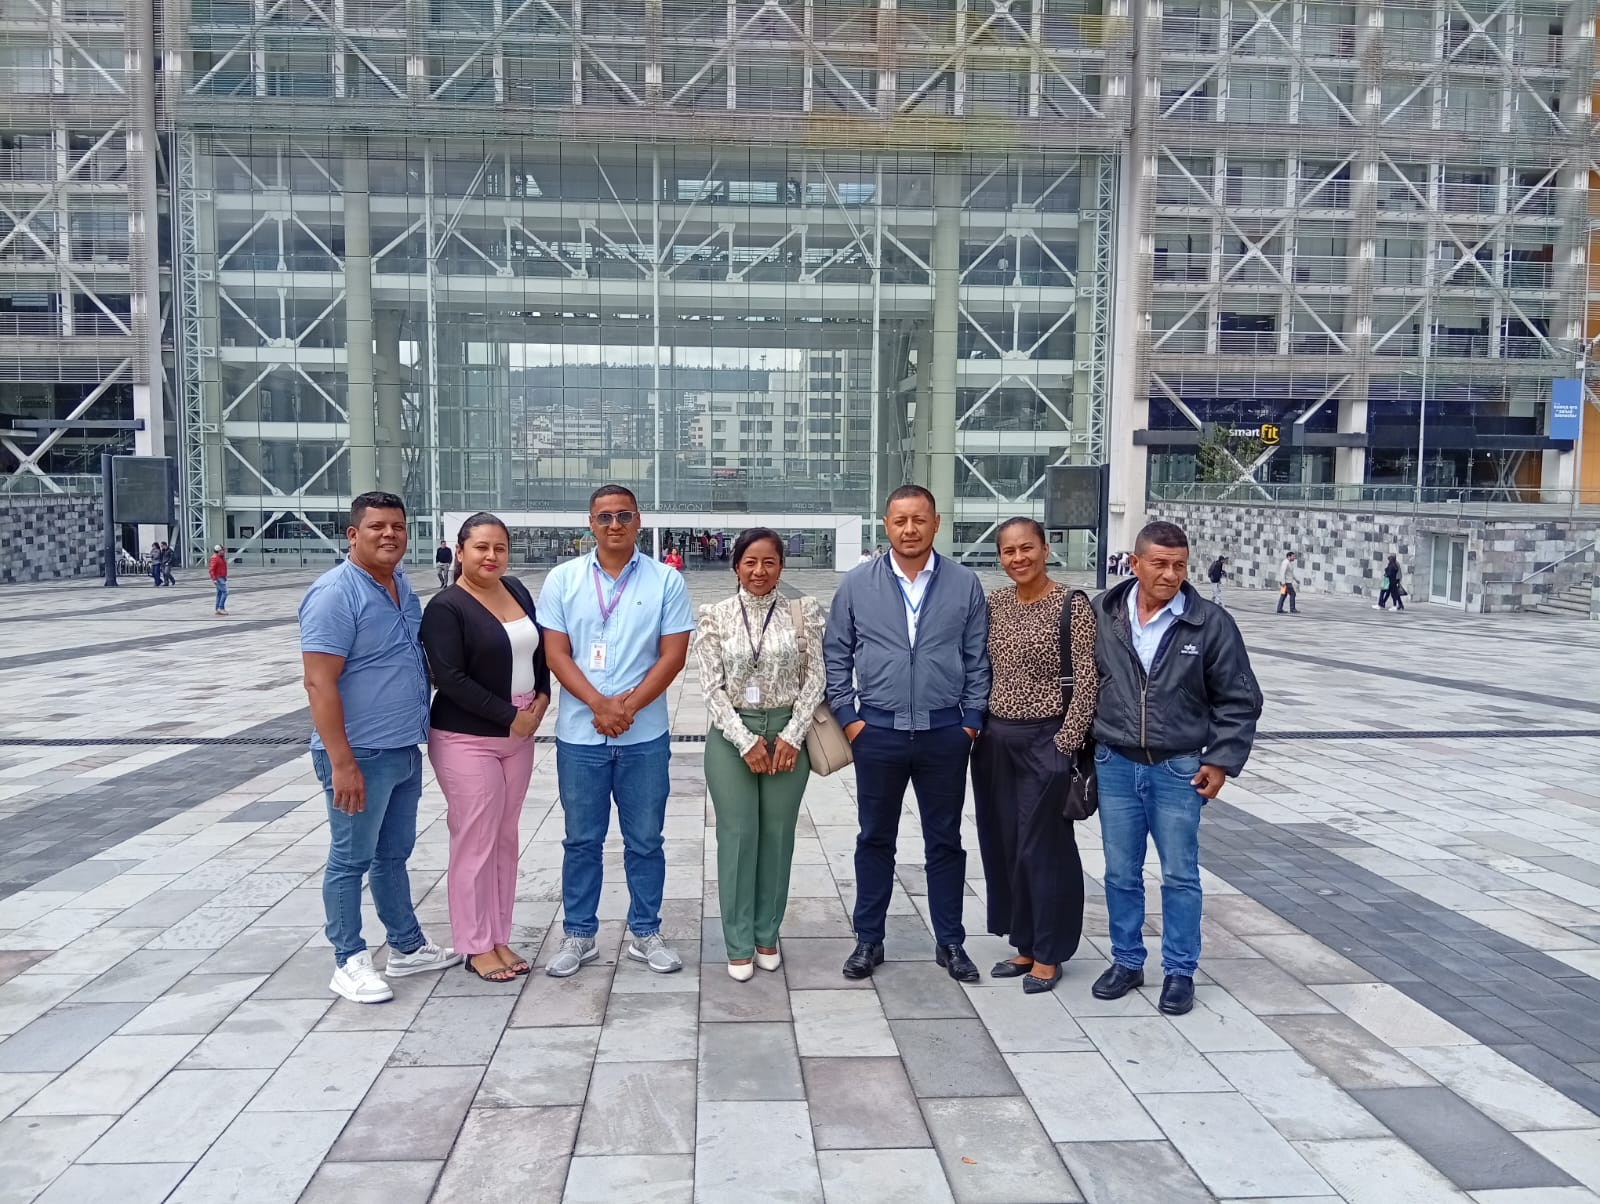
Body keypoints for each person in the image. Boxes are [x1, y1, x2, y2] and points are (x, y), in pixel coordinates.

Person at [1090, 520, 1263, 1016]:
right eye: (1160, 564)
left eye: (1179, 566)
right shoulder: (1104, 613)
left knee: (1180, 874)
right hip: (1115, 762)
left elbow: (1240, 698)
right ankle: (1127, 961)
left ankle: (1180, 970)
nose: (1170, 574)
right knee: (1120, 873)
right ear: (1135, 563)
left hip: (1178, 767)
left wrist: (1221, 760)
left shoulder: (1210, 623)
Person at [299, 490, 461, 1003]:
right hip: (360, 753)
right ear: (353, 534)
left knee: (392, 855)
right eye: (377, 527)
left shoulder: (401, 585)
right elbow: (318, 682)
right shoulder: (335, 594)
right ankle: (348, 959)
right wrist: (342, 762)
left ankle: (407, 946)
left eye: (397, 526)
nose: (389, 534)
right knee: (350, 859)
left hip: (403, 748)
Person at [825, 485, 990, 982]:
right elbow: (836, 653)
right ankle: (868, 939)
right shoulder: (858, 583)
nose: (910, 529)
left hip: (944, 732)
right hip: (878, 731)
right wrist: (849, 717)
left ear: (936, 523)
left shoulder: (964, 583)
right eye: (900, 520)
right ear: (886, 524)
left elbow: (977, 657)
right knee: (875, 837)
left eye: (919, 519)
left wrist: (970, 720)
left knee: (945, 840)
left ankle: (951, 941)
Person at [537, 485, 694, 977]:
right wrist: (598, 704)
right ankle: (579, 934)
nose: (614, 525)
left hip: (643, 736)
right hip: (580, 736)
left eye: (624, 516)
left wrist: (625, 708)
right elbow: (556, 653)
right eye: (604, 517)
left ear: (638, 521)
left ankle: (646, 932)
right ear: (590, 523)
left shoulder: (666, 581)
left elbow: (673, 656)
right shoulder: (563, 580)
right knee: (581, 840)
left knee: (645, 839)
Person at [421, 513, 552, 983]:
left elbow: (539, 652)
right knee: (475, 841)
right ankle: (475, 945)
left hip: (520, 734)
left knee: (504, 838)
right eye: (480, 547)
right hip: (467, 737)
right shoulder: (446, 607)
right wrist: (510, 716)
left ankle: (498, 936)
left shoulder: (515, 589)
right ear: (460, 552)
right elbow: (450, 678)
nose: (491, 556)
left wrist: (542, 697)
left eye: (500, 547)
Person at [695, 528, 826, 981]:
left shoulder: (802, 613)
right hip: (732, 737)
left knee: (777, 835)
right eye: (750, 562)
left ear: (781, 567)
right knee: (738, 836)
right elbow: (711, 688)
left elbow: (816, 678)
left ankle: (767, 933)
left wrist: (792, 735)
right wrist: (745, 741)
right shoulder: (715, 616)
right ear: (735, 566)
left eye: (769, 562)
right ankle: (737, 942)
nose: (759, 571)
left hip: (789, 733)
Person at [972, 518, 1096, 994]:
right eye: (1009, 551)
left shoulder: (1071, 604)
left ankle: (1050, 951)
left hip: (1048, 738)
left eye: (1027, 548)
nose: (1018, 558)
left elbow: (1086, 681)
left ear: (1045, 549)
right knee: (1005, 843)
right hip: (996, 741)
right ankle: (1023, 941)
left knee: (1044, 848)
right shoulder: (996, 604)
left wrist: (1065, 744)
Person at [209, 544, 229, 615]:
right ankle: (221, 608)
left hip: (221, 577)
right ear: (218, 551)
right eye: (222, 550)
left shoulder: (221, 557)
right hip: (218, 577)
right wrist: (214, 579)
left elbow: (223, 568)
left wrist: (224, 576)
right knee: (225, 592)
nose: (223, 551)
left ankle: (218, 608)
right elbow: (211, 569)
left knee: (219, 593)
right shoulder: (215, 558)